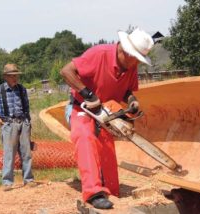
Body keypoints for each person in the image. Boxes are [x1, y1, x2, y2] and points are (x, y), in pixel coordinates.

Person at [60, 28, 154, 209]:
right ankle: (93, 192)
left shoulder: (130, 67)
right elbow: (66, 71)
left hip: (103, 112)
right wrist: (88, 94)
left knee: (107, 151)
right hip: (81, 107)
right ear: (126, 52)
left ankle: (110, 190)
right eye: (136, 59)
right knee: (86, 137)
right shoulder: (99, 54)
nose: (137, 64)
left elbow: (127, 91)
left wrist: (132, 101)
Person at [0, 63, 36, 191]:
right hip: (9, 124)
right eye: (11, 76)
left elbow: (26, 107)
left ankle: (28, 180)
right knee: (9, 154)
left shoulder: (22, 89)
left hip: (23, 123)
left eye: (16, 75)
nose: (15, 78)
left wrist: (28, 122)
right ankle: (7, 182)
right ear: (5, 76)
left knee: (26, 153)